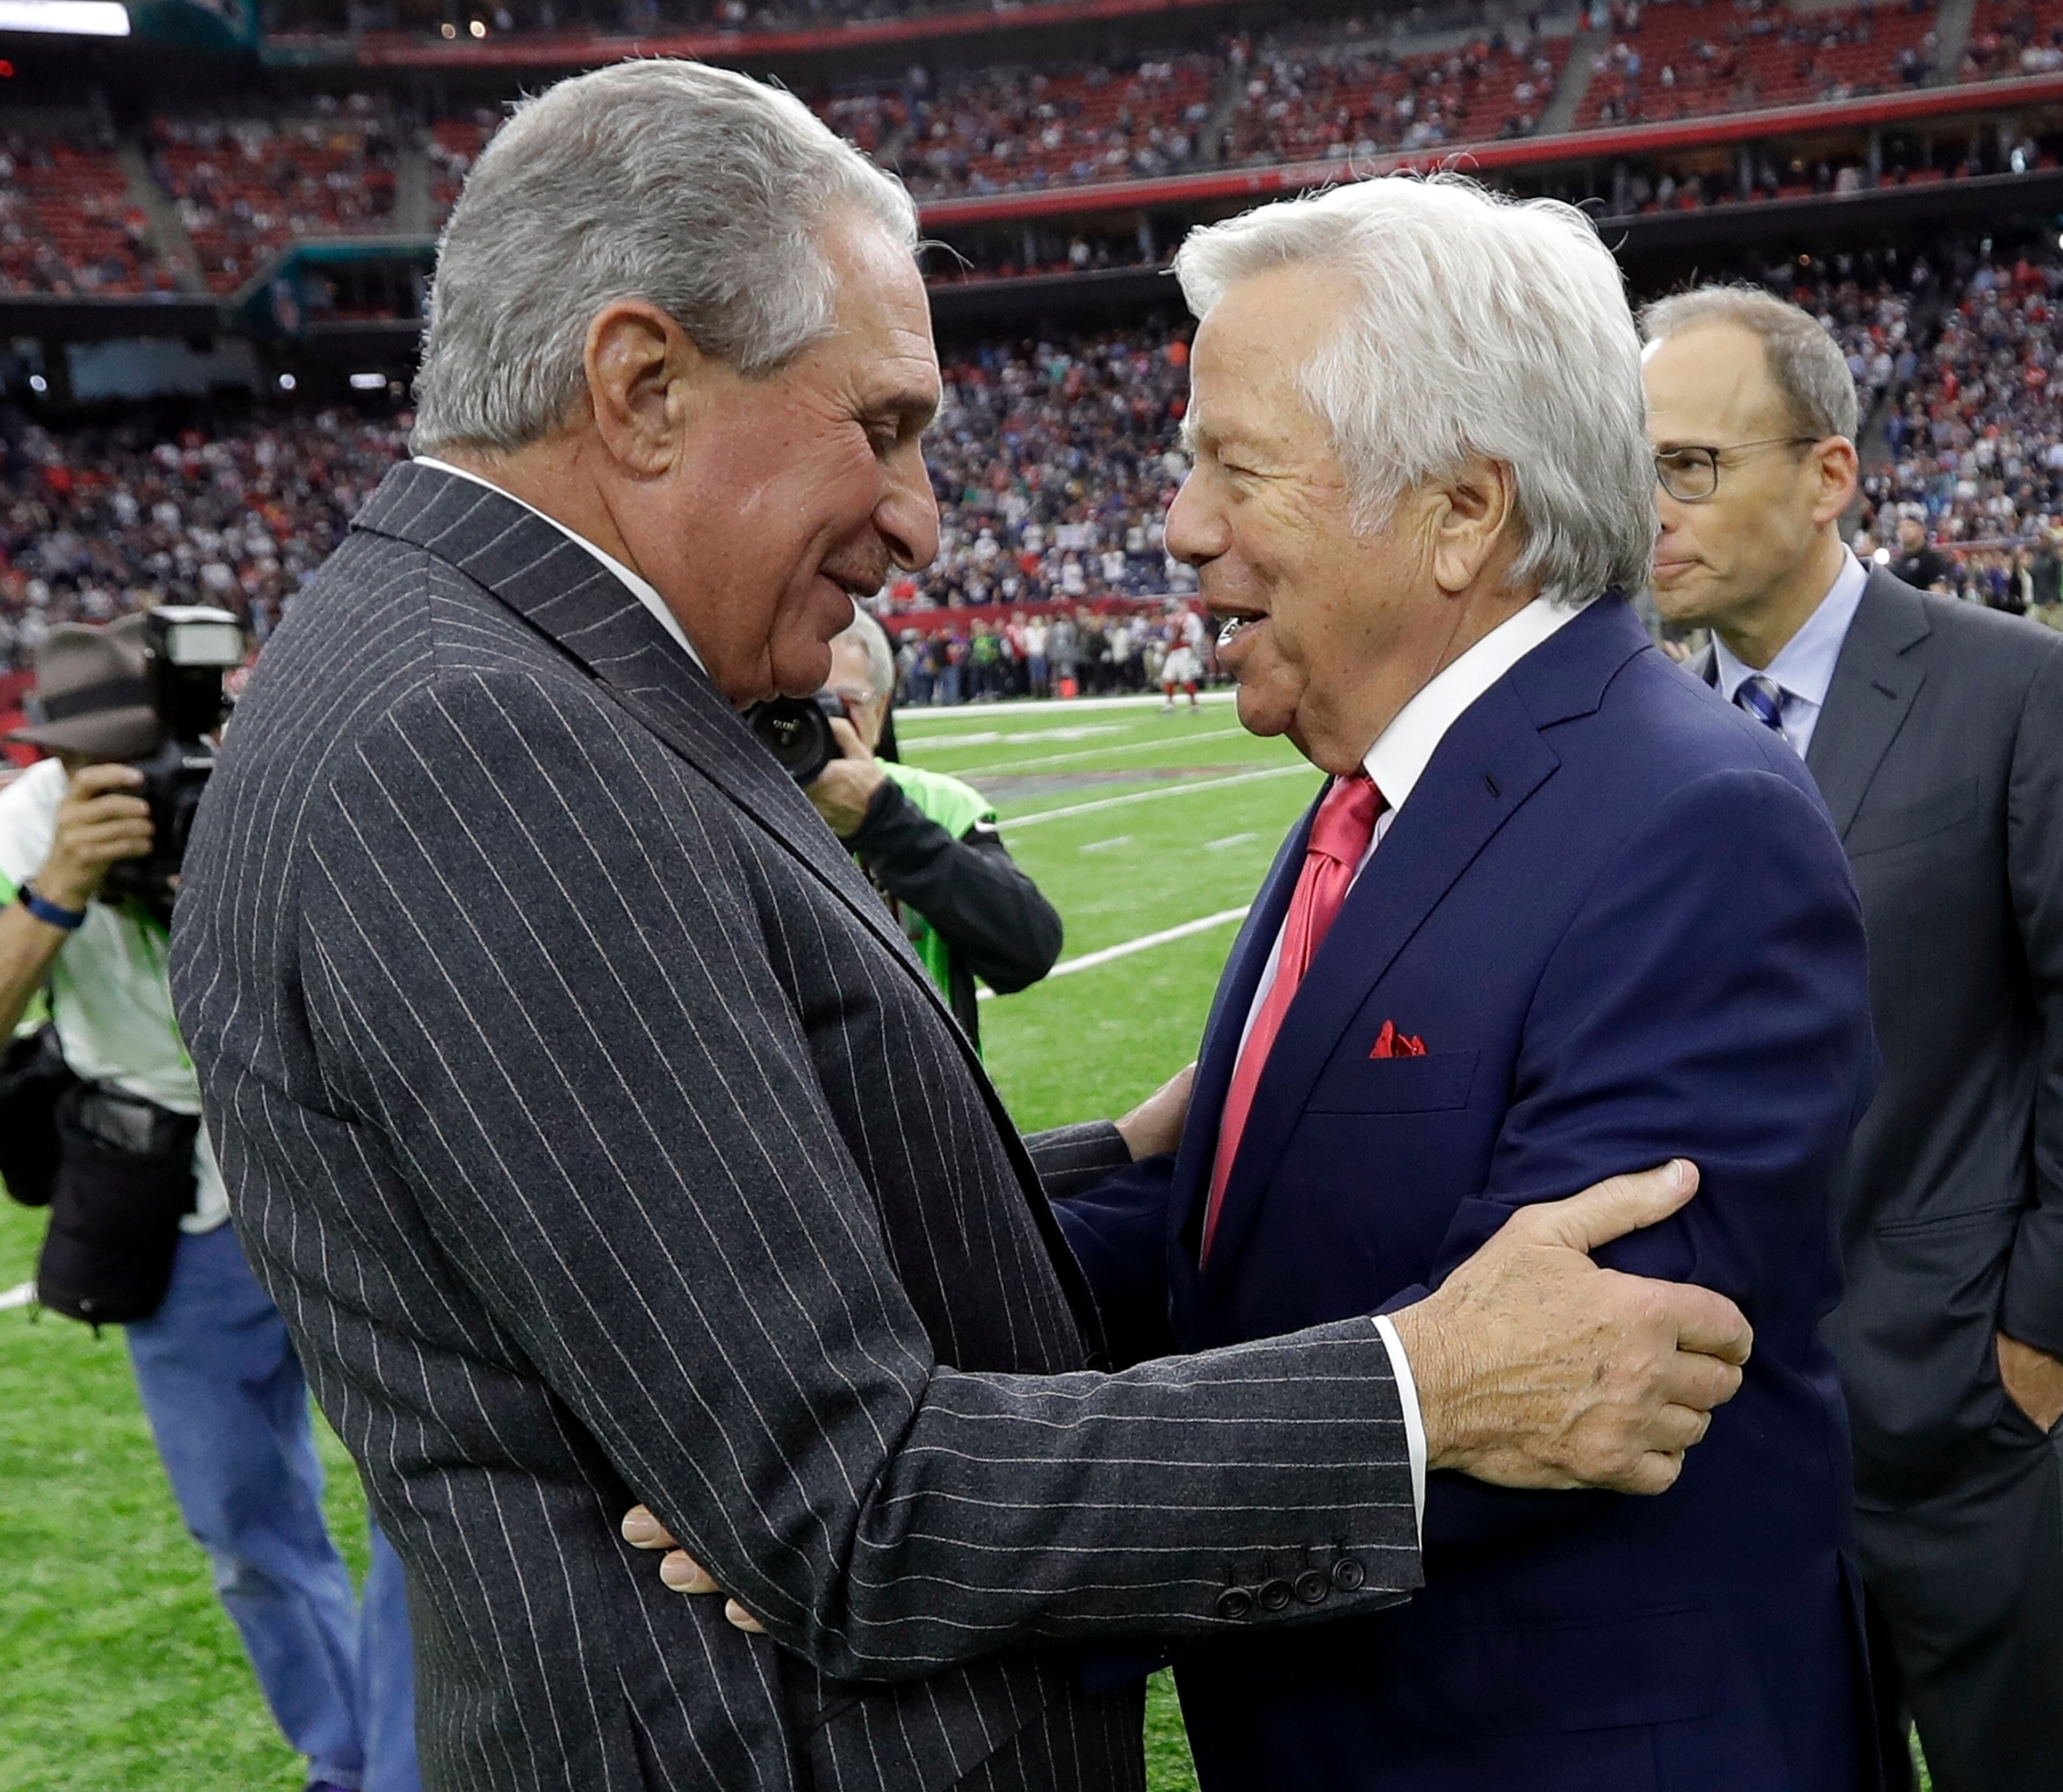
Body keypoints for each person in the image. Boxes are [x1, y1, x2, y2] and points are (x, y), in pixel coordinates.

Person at [172, 63, 1754, 1792]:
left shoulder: (470, 670)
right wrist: (1419, 1392)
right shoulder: (484, 739)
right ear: (640, 387)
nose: (922, 518)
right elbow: (843, 1510)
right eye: (885, 425)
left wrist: (1143, 1166)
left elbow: (709, 1211)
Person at [1005, 175, 1878, 1791]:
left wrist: (970, 1506)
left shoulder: (1689, 826)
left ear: (1459, 513)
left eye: (1233, 466)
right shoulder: (1378, 791)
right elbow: (1244, 1238)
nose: (1181, 523)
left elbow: (1563, 1388)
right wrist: (857, 1346)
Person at [1642, 284, 2063, 1792]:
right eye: (1637, 467)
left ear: (1828, 476)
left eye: (1689, 465)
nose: (1651, 508)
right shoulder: (1647, 727)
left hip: (1974, 1413)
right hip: (1735, 1443)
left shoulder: (2016, 687)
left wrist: (2038, 1329)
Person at [0, 617, 419, 1792]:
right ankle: (343, 1757)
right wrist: (62, 886)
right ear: (53, 756)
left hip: (338, 1175)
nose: (124, 781)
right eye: (92, 764)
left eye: (143, 753)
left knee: (419, 1495)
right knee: (240, 1524)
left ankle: (408, 1767)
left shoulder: (269, 775)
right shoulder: (24, 824)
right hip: (172, 1202)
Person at [806, 607, 1059, 1045]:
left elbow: (1028, 950)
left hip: (931, 1100)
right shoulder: (732, 802)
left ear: (881, 709)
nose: (824, 725)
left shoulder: (936, 804)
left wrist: (886, 823)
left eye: (843, 705)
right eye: (803, 706)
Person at [1888, 510, 1950, 591]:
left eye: (1910, 526)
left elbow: (1939, 595)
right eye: (1901, 527)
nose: (1905, 530)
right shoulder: (1897, 563)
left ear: (1922, 529)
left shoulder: (1933, 560)